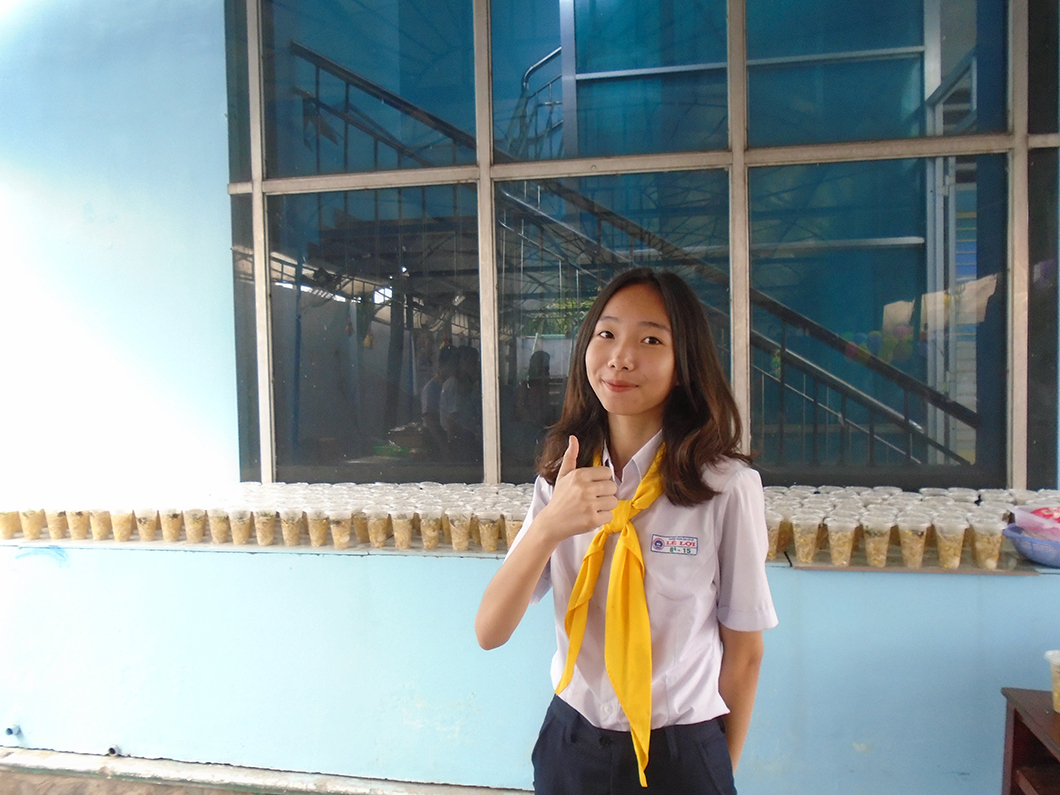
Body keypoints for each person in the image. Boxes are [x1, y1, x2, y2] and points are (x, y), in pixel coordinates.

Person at [475, 268, 777, 795]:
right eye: (607, 334)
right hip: (571, 744)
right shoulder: (564, 478)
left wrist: (712, 770)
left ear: (684, 365)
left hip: (680, 749)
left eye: (650, 340)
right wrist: (549, 527)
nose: (620, 357)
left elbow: (745, 652)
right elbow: (489, 631)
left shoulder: (725, 487)